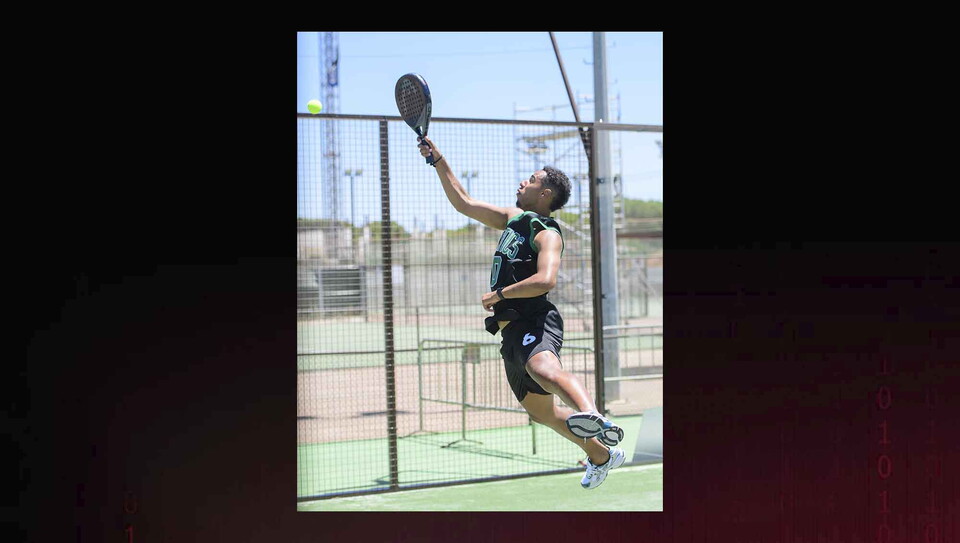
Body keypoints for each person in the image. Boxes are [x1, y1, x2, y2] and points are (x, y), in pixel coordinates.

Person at [417, 136, 625, 490]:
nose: (522, 182)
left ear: (544, 194)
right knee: (541, 412)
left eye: (530, 179)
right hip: (511, 331)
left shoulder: (546, 233)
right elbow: (464, 203)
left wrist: (500, 293)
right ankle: (602, 455)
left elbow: (546, 280)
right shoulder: (514, 218)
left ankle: (592, 414)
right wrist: (437, 159)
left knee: (543, 367)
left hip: (535, 318)